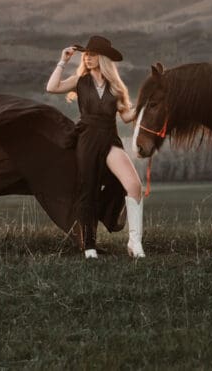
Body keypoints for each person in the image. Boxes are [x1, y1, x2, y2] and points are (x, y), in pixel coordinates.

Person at [46, 34, 145, 259]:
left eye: (92, 55)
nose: (87, 58)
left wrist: (144, 106)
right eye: (86, 55)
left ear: (103, 58)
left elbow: (127, 116)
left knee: (133, 185)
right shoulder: (80, 80)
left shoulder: (115, 87)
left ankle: (135, 244)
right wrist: (63, 60)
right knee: (87, 190)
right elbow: (52, 87)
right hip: (88, 138)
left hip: (110, 138)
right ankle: (89, 246)